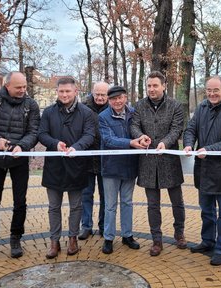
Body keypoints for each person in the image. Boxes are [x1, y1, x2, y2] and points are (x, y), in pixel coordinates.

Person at [0, 71, 40, 261]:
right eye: (18, 87)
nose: (23, 90)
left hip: (19, 160)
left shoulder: (31, 105)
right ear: (7, 85)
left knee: (20, 201)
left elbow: (34, 131)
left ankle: (15, 238)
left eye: (25, 87)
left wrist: (22, 146)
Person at [183, 76, 221, 266]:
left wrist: (208, 150)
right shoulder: (202, 107)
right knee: (207, 210)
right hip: (203, 170)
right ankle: (207, 241)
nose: (211, 94)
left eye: (215, 90)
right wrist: (188, 145)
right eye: (208, 90)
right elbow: (190, 129)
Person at [130, 71, 187, 256]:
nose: (151, 89)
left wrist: (166, 142)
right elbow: (134, 125)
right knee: (152, 204)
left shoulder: (176, 106)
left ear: (164, 86)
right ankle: (156, 239)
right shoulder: (139, 106)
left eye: (155, 85)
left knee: (177, 202)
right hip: (147, 163)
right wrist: (141, 136)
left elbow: (177, 128)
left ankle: (179, 233)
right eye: (149, 86)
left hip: (169, 161)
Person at [38, 77, 95, 259]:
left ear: (75, 91)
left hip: (76, 166)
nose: (64, 94)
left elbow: (89, 135)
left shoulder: (86, 112)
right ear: (57, 91)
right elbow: (42, 134)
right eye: (61, 91)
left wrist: (76, 147)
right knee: (53, 206)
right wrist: (55, 144)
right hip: (54, 166)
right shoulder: (48, 112)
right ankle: (54, 241)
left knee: (76, 206)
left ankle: (72, 238)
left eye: (68, 91)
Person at [99, 86, 145, 254]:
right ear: (109, 101)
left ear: (126, 97)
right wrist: (131, 143)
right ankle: (108, 238)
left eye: (120, 98)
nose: (117, 101)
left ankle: (127, 235)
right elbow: (108, 140)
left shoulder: (134, 113)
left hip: (130, 166)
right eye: (113, 99)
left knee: (127, 203)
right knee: (110, 206)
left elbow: (139, 131)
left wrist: (141, 140)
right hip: (111, 167)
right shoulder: (103, 117)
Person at [78, 82, 109, 240]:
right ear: (92, 93)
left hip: (106, 160)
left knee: (106, 196)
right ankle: (86, 226)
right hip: (87, 160)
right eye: (97, 94)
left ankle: (104, 226)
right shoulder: (82, 107)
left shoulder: (112, 107)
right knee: (86, 194)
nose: (100, 97)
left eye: (104, 95)